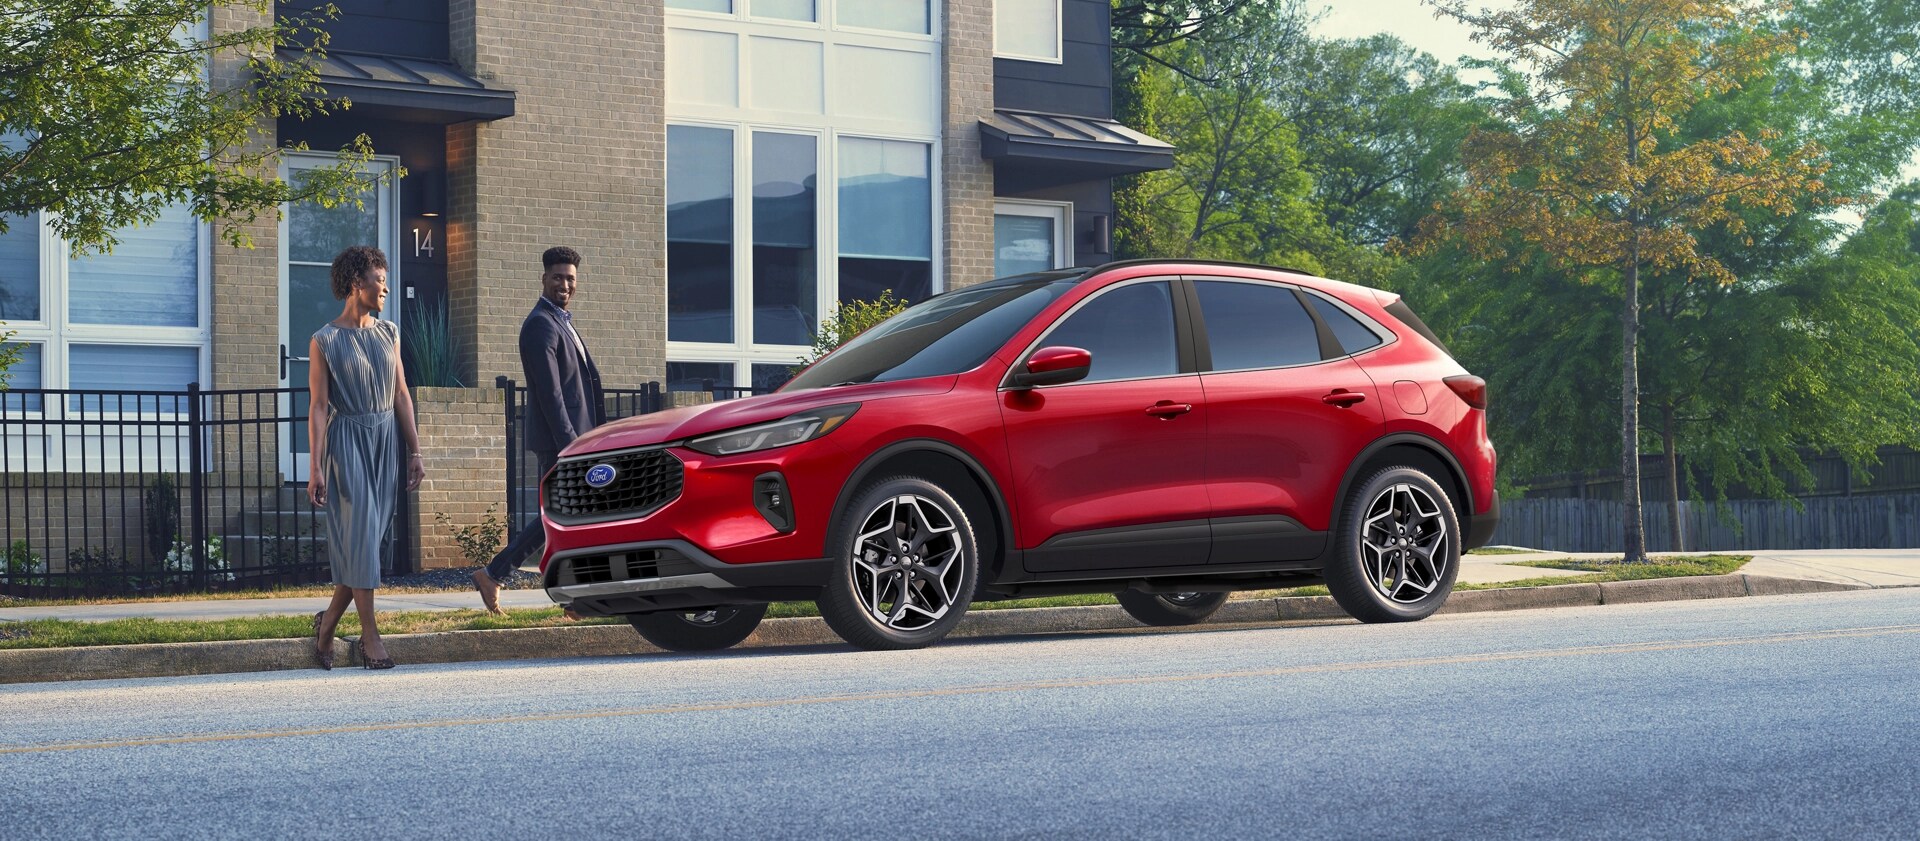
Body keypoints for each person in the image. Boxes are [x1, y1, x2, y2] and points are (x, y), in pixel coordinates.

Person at [309, 245, 425, 670]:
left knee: (368, 545)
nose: (386, 288)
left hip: (385, 441)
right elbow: (318, 406)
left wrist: (415, 451)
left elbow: (401, 395)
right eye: (380, 280)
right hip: (347, 443)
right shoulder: (324, 340)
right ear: (357, 282)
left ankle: (326, 625)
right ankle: (370, 636)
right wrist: (315, 466)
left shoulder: (389, 333)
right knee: (360, 537)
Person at [472, 246, 604, 613]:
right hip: (560, 441)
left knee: (565, 517)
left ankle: (501, 576)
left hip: (576, 438)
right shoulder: (540, 325)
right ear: (544, 278)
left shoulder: (561, 321)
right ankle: (566, 596)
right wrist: (571, 445)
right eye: (558, 277)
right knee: (562, 517)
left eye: (570, 278)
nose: (565, 284)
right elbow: (550, 395)